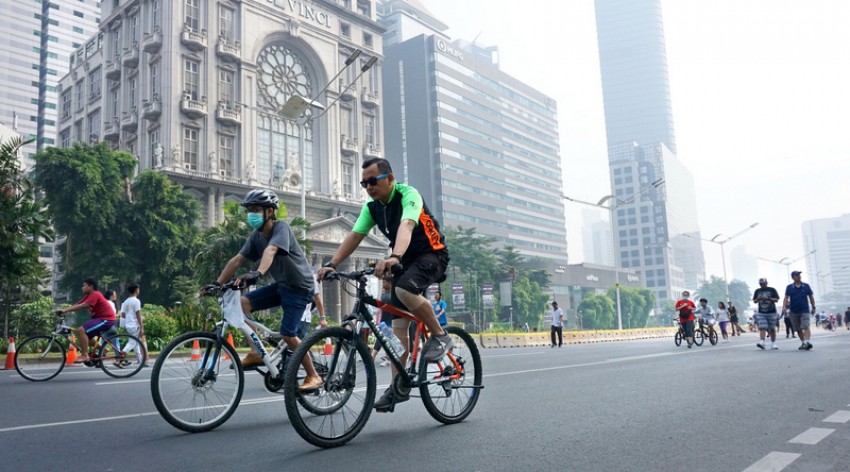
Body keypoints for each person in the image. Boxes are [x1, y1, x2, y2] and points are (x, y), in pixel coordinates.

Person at [317, 158, 450, 411]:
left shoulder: (408, 194)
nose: (368, 187)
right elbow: (355, 236)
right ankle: (398, 386)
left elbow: (407, 225)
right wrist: (332, 263)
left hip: (432, 255)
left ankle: (441, 336)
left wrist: (394, 256)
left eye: (372, 181)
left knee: (402, 289)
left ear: (389, 179)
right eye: (363, 183)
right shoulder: (372, 207)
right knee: (398, 324)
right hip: (405, 259)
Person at [207, 188, 322, 390]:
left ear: (269, 212)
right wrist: (217, 284)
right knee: (243, 303)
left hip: (299, 288)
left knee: (288, 334)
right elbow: (237, 260)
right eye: (249, 210)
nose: (251, 214)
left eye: (256, 209)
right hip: (281, 286)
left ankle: (313, 375)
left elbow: (271, 250)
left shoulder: (281, 228)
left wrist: (257, 273)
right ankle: (256, 352)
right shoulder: (255, 237)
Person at [56, 278, 118, 365]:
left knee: (81, 330)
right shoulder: (88, 296)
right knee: (83, 336)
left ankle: (84, 355)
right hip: (99, 319)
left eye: (84, 285)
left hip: (106, 319)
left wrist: (65, 310)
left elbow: (83, 306)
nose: (82, 287)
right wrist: (64, 310)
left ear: (91, 286)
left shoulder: (96, 294)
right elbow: (78, 304)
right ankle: (102, 349)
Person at [783, 270, 816, 351]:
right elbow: (786, 298)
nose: (798, 276)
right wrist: (784, 307)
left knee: (805, 325)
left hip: (804, 310)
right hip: (793, 311)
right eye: (796, 275)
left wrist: (813, 307)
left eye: (799, 275)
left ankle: (807, 342)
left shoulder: (806, 286)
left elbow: (811, 297)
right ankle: (804, 343)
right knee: (798, 328)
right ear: (793, 277)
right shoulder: (789, 287)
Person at [119, 283, 148, 367]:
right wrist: (141, 327)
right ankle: (121, 356)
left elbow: (123, 314)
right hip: (134, 325)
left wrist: (125, 322)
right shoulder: (136, 301)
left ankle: (140, 361)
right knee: (132, 343)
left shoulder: (126, 302)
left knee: (136, 343)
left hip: (128, 325)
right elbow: (138, 314)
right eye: (138, 289)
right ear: (136, 290)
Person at [752, 278, 780, 350]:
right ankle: (762, 341)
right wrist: (759, 299)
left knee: (772, 328)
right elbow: (754, 301)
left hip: (771, 312)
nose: (762, 285)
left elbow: (776, 299)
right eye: (761, 284)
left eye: (763, 284)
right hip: (761, 312)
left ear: (766, 283)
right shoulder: (757, 291)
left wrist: (768, 298)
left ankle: (773, 343)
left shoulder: (772, 290)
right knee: (762, 327)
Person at [298, 272, 327, 340]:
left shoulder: (310, 277)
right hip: (290, 316)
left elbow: (317, 300)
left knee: (299, 346)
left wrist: (322, 318)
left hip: (302, 318)